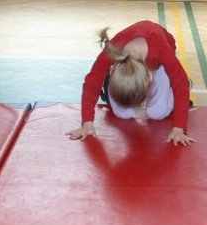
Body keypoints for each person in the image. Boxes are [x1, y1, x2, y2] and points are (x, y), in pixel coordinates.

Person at [67, 21, 195, 146]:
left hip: (160, 66)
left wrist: (179, 128)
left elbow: (181, 86)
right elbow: (92, 82)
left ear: (149, 78)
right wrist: (87, 123)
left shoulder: (162, 52)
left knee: (157, 113)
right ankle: (119, 86)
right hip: (131, 67)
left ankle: (175, 82)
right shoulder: (113, 51)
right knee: (123, 113)